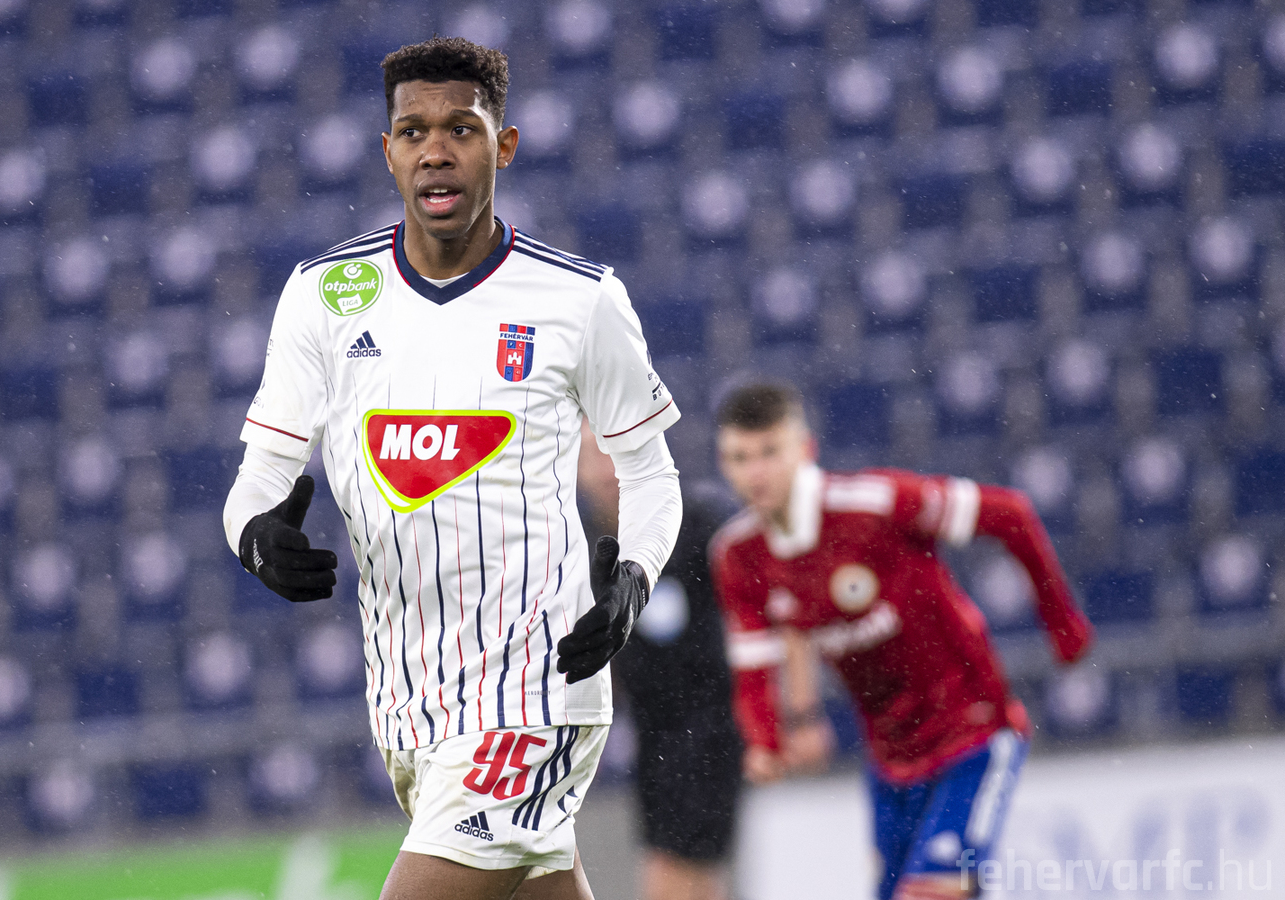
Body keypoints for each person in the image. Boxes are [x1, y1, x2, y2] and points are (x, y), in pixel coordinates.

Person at [221, 37, 684, 900]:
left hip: (537, 690)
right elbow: (262, 472)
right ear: (388, 151)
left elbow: (650, 472)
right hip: (409, 704)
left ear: (503, 146)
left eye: (461, 129)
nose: (436, 149)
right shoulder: (324, 294)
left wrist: (634, 577)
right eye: (414, 131)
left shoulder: (579, 300)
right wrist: (253, 536)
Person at [708, 383, 1094, 900]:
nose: (755, 473)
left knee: (932, 893)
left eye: (769, 453)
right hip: (890, 759)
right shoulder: (738, 555)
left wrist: (1064, 625)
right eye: (740, 458)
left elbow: (1011, 514)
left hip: (973, 732)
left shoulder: (877, 505)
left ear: (806, 448)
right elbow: (754, 662)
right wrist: (764, 739)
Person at [575, 422, 742, 900]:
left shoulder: (697, 520)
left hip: (708, 722)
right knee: (688, 870)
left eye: (611, 450)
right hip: (650, 729)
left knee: (674, 868)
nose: (603, 469)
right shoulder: (574, 539)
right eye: (589, 454)